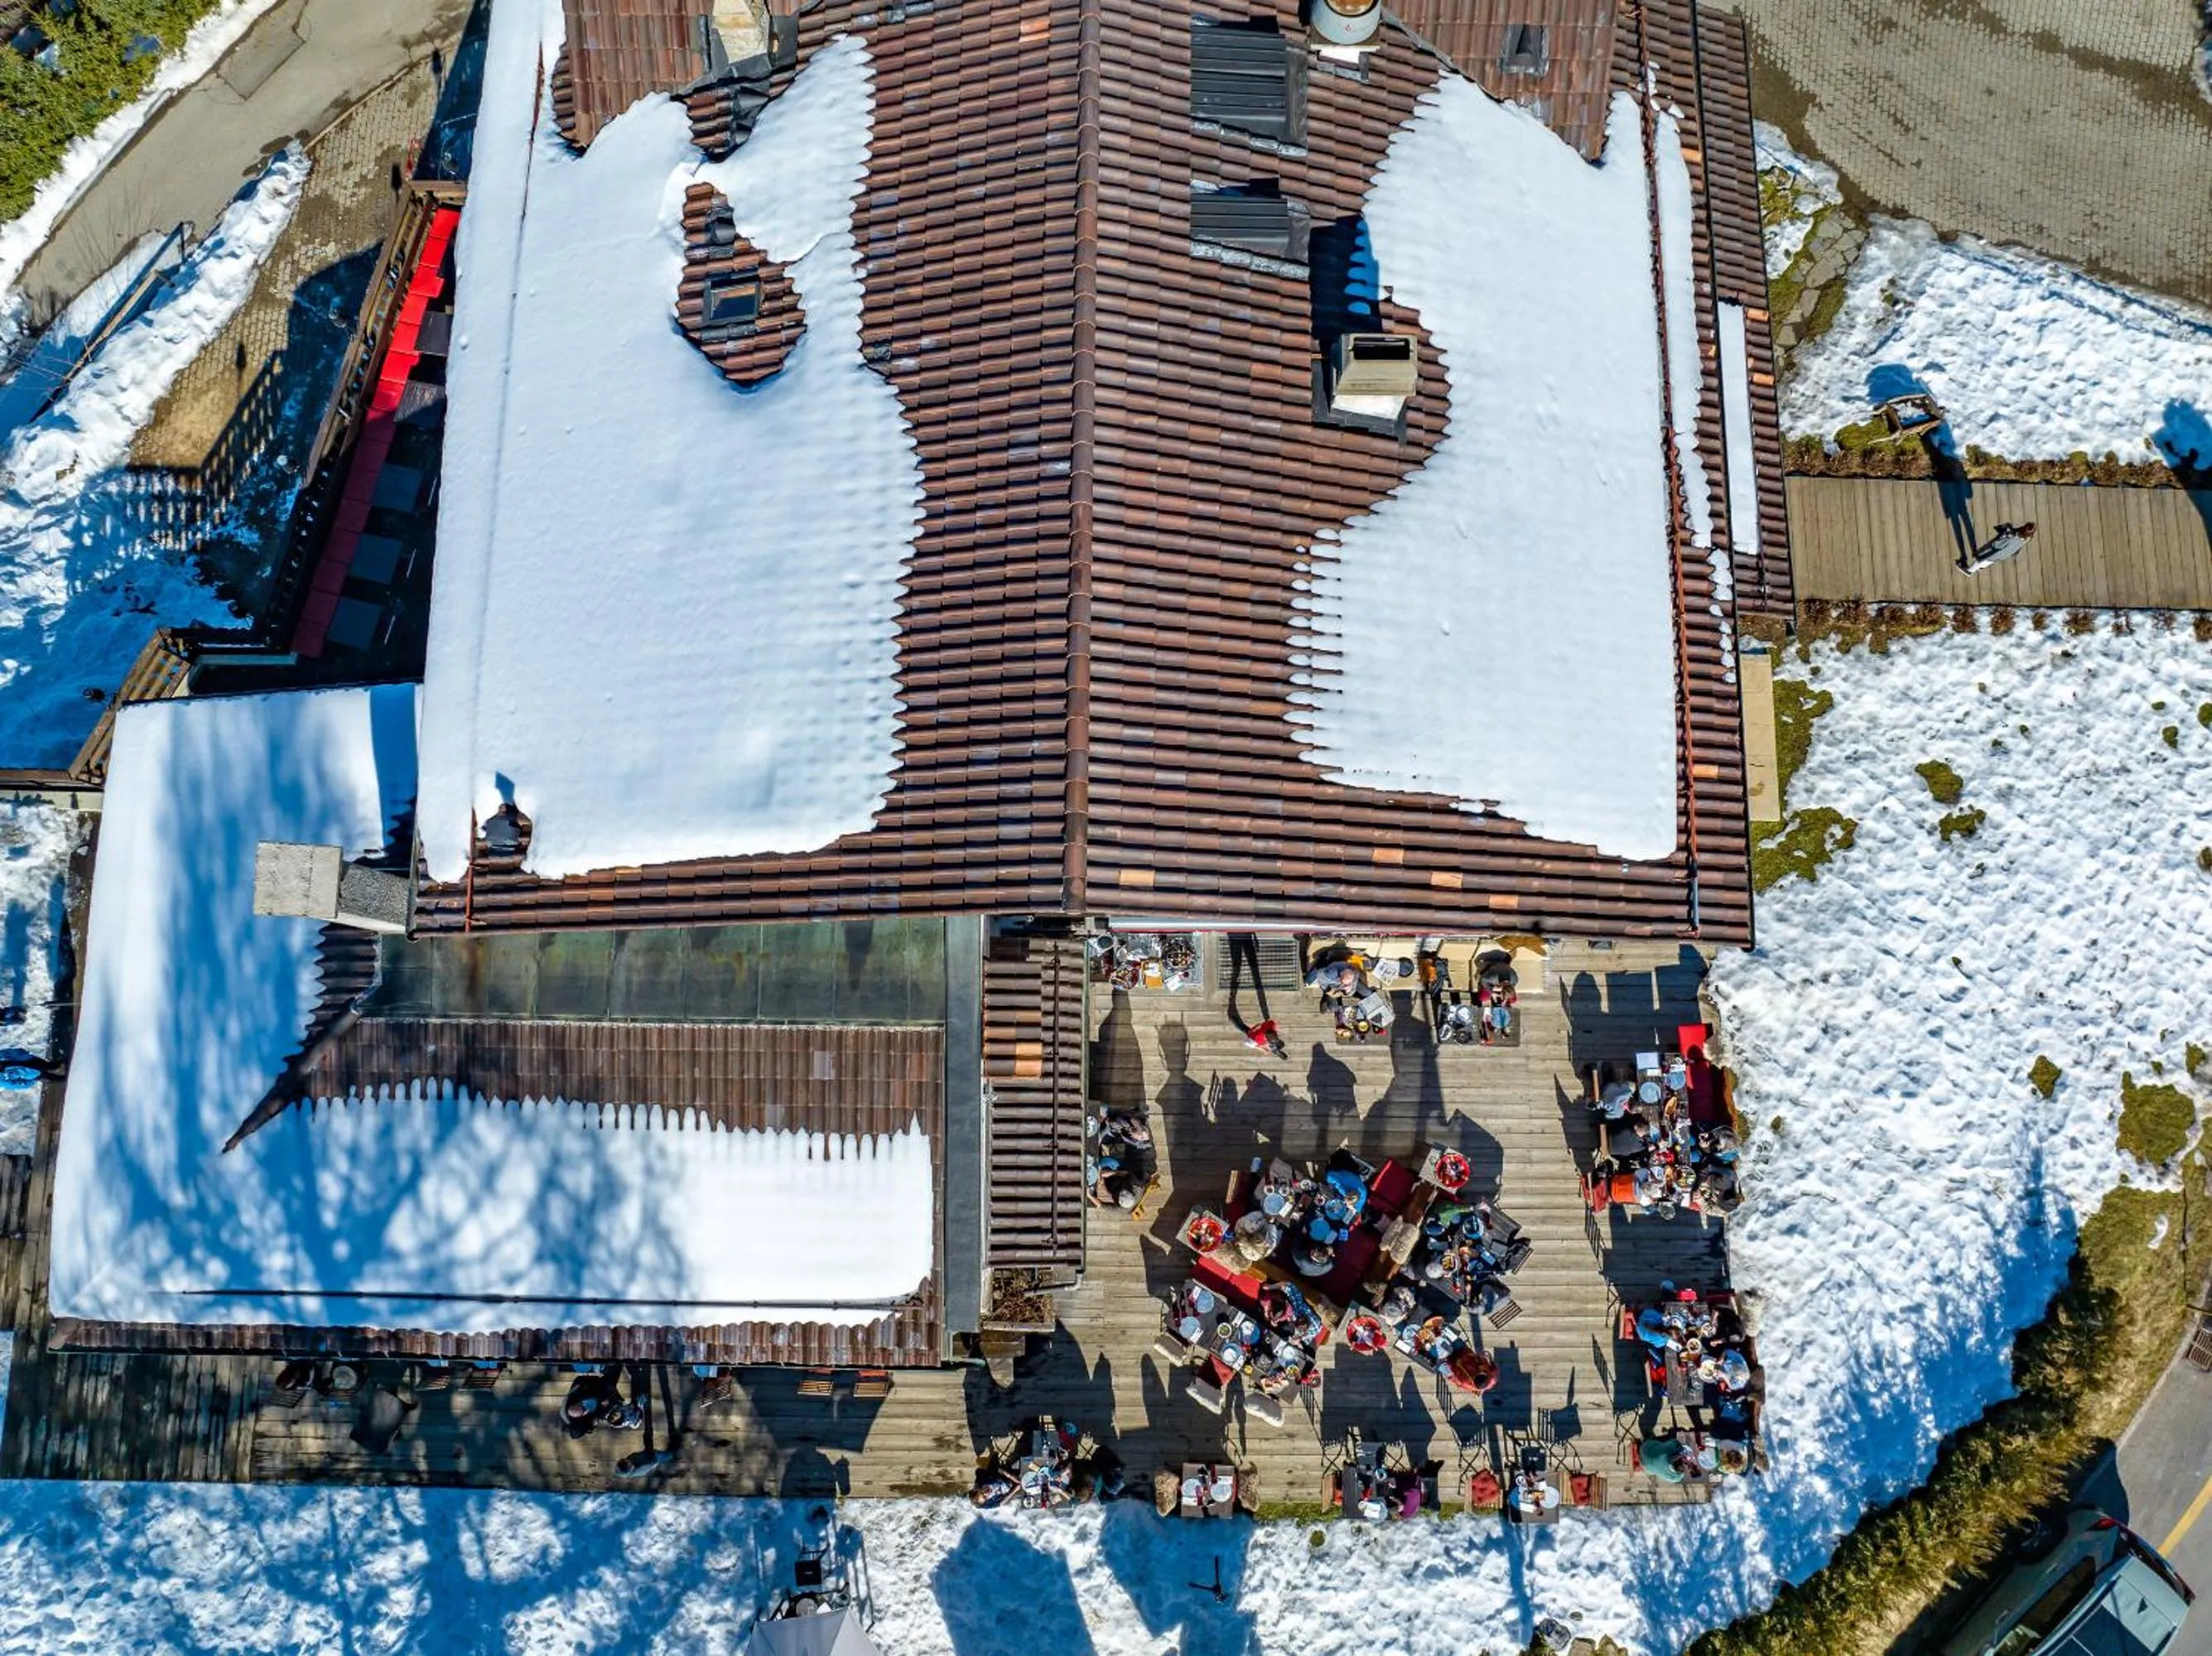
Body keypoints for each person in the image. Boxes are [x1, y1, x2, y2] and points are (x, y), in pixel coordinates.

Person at [1960, 520, 2036, 574]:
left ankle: (1969, 571)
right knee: (1987, 562)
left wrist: (2002, 534)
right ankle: (1980, 567)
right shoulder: (2027, 539)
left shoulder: (2013, 537)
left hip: (1997, 551)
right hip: (2005, 555)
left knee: (1981, 560)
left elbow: (1998, 544)